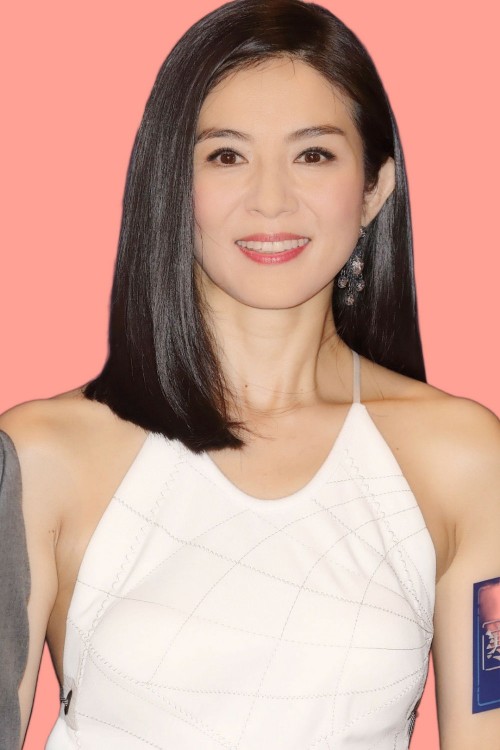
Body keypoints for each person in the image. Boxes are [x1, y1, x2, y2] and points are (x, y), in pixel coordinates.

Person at [1, 0, 499, 747]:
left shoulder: (463, 459)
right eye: (226, 156)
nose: (271, 201)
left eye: (314, 155)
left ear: (375, 188)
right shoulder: (43, 455)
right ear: (173, 185)